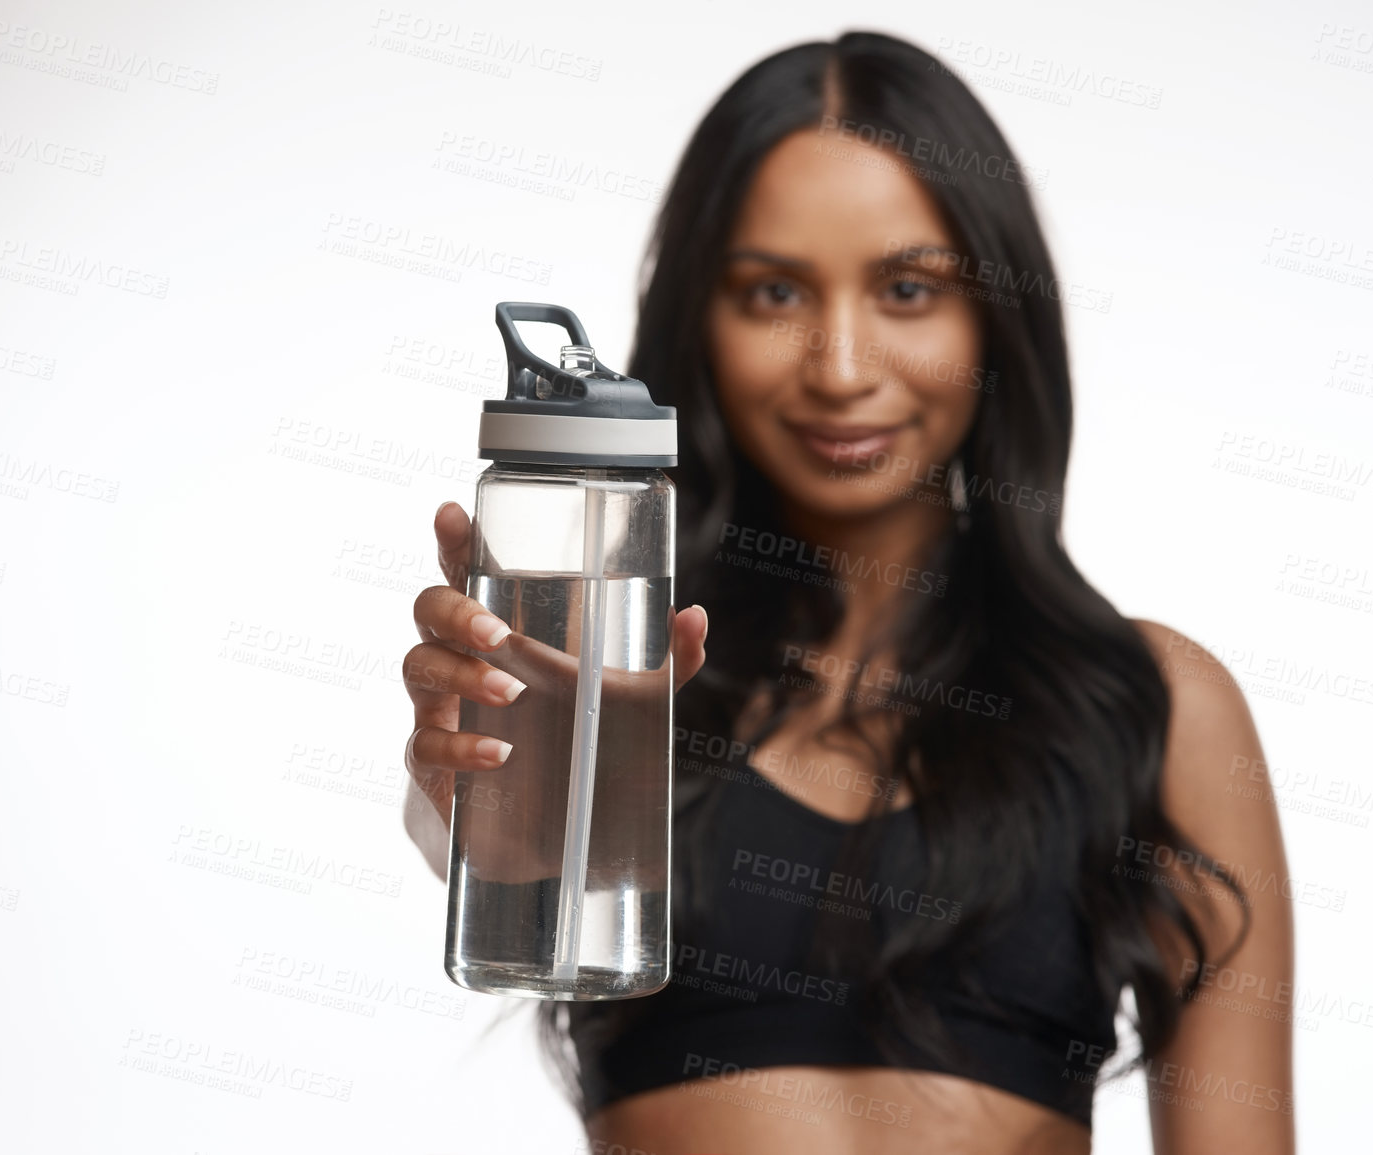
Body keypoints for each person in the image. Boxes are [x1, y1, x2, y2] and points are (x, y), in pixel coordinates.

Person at [402, 29, 1294, 1155]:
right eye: (773, 289)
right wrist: (485, 783)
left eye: (908, 289)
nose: (838, 366)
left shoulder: (1155, 705)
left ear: (994, 320)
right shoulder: (616, 659)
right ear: (699, 319)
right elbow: (489, 852)